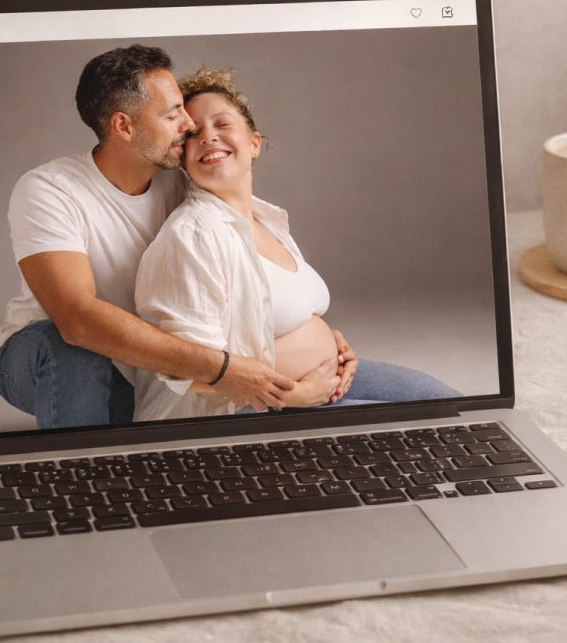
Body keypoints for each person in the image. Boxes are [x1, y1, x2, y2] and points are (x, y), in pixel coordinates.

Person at [0, 46, 298, 429]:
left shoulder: (182, 178)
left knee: (378, 392)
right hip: (39, 356)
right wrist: (221, 369)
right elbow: (77, 320)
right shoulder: (50, 190)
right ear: (123, 126)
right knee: (71, 349)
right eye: (172, 114)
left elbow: (251, 259)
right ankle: (80, 477)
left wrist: (319, 335)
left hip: (151, 372)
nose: (188, 124)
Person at [133, 66, 459, 420]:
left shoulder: (268, 221)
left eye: (222, 124)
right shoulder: (193, 234)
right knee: (422, 432)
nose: (209, 137)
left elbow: (277, 314)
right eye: (194, 134)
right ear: (182, 157)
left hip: (318, 385)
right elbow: (180, 370)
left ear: (254, 143)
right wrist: (292, 397)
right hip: (246, 410)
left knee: (454, 406)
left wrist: (331, 343)